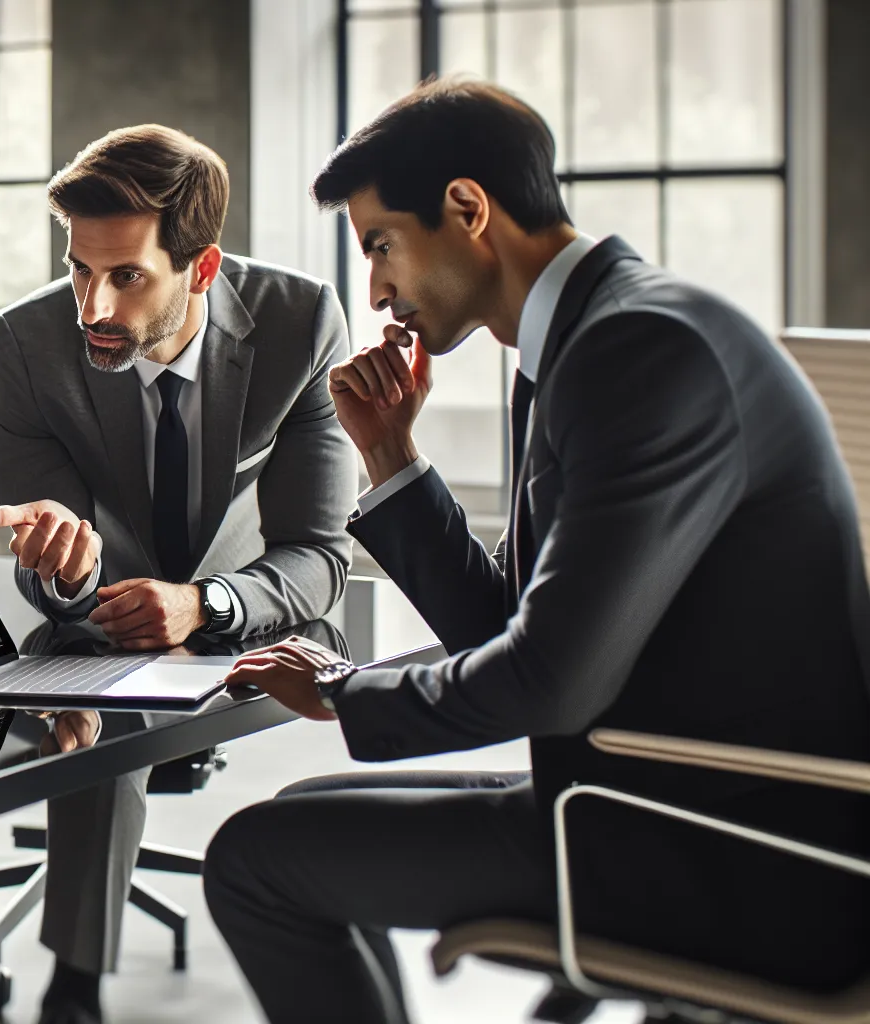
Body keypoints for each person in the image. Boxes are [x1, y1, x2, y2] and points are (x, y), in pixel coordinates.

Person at [203, 78, 870, 1022]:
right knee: (292, 821)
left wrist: (344, 691)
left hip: (736, 850)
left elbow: (550, 681)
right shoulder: (585, 344)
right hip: (654, 800)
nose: (379, 289)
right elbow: (510, 628)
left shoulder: (639, 349)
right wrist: (391, 457)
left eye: (382, 245)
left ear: (468, 208)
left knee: (254, 861)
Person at [0, 125, 357, 1024]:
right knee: (93, 722)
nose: (92, 306)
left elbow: (318, 553)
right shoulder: (27, 346)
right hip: (95, 625)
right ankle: (75, 988)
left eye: (127, 276)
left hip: (241, 622)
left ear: (203, 266)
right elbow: (47, 560)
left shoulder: (302, 326)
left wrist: (205, 604)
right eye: (78, 270)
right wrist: (63, 571)